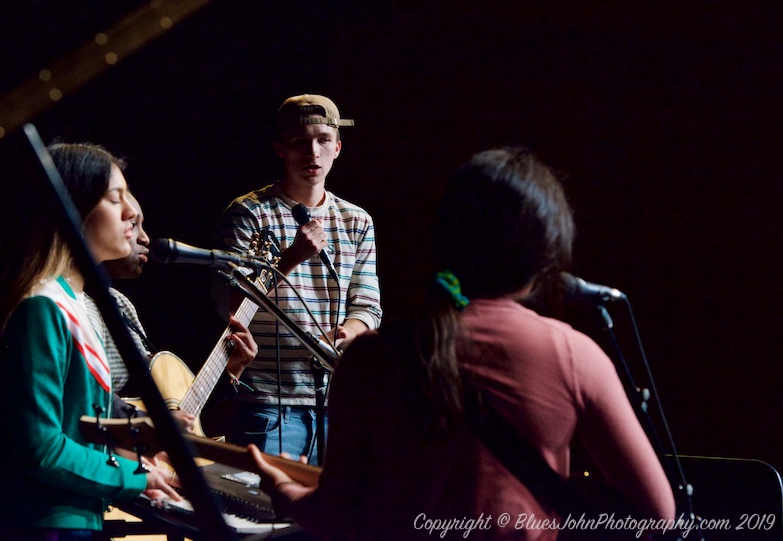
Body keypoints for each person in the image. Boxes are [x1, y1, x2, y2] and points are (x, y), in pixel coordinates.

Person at [249, 147, 676, 539]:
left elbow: (335, 516)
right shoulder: (574, 355)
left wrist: (283, 489)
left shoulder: (369, 358)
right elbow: (658, 515)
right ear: (544, 253)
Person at [0, 142, 178, 540]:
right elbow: (41, 448)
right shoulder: (40, 307)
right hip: (45, 522)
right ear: (71, 208)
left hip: (75, 516)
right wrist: (138, 476)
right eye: (115, 198)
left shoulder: (74, 304)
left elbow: (81, 422)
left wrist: (145, 434)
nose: (133, 212)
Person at [213, 94, 382, 465]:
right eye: (300, 142)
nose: (313, 153)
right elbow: (229, 306)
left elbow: (368, 305)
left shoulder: (357, 220)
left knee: (333, 518)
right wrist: (290, 259)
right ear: (280, 148)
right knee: (272, 514)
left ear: (337, 147)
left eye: (323, 140)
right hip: (269, 404)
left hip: (339, 402)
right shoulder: (249, 214)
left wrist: (350, 331)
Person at [91, 189, 257, 428]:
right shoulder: (68, 305)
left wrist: (231, 371)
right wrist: (151, 422)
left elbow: (180, 412)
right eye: (132, 224)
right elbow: (85, 394)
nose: (145, 238)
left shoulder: (119, 303)